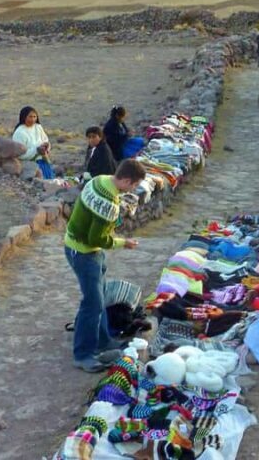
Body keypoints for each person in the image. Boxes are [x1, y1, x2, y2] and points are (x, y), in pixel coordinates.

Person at [64, 159, 147, 372]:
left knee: (99, 297)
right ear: (126, 180)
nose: (134, 190)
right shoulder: (108, 202)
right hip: (84, 252)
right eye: (135, 185)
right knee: (92, 304)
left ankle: (102, 340)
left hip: (77, 245)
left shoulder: (99, 181)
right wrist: (122, 242)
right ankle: (83, 354)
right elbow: (95, 239)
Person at [12, 106, 54, 179]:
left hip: (43, 160)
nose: (33, 119)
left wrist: (46, 146)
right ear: (24, 117)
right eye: (30, 117)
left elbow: (45, 140)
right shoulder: (19, 133)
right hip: (30, 165)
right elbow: (19, 155)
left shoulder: (38, 127)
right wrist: (36, 150)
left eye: (35, 117)